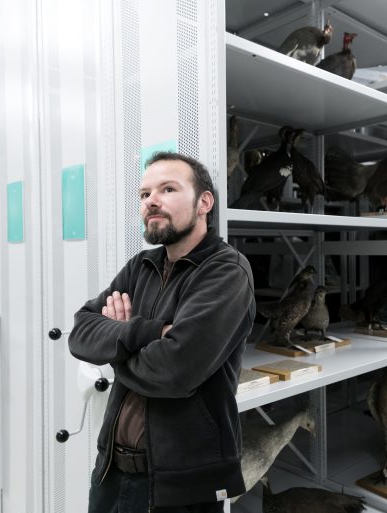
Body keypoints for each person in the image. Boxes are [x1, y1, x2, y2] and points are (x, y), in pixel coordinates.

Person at [68, 151, 256, 513]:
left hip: (180, 486)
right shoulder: (141, 267)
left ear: (204, 202)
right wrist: (149, 332)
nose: (151, 200)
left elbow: (173, 370)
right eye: (144, 194)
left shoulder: (227, 271)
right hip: (110, 469)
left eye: (168, 189)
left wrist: (116, 347)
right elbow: (80, 332)